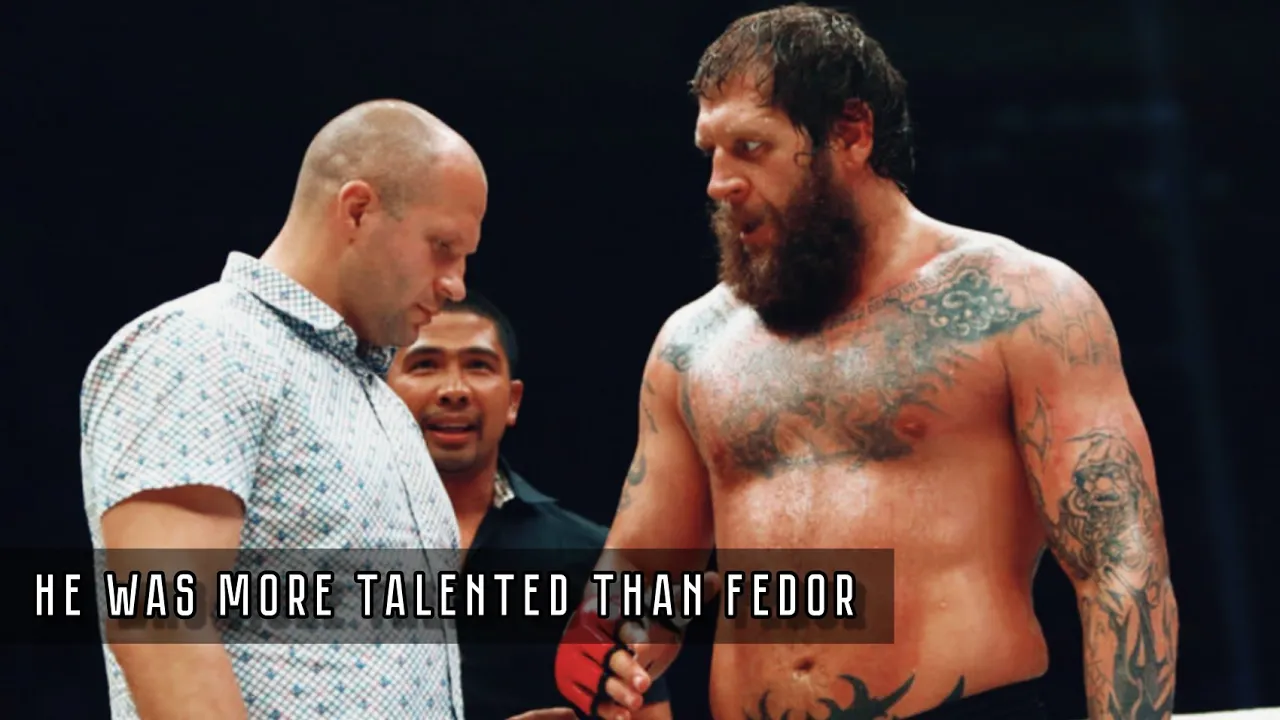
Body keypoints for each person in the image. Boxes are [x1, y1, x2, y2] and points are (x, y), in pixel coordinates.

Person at [554, 5, 1178, 720]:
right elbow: (641, 574)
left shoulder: (1020, 304)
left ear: (851, 132)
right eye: (711, 153)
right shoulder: (692, 344)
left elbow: (1119, 567)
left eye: (750, 147)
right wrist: (606, 650)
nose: (719, 182)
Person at [79, 99, 486, 719]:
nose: (456, 283)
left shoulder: (382, 401)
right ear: (358, 210)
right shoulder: (202, 345)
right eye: (443, 246)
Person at [385, 292, 674, 720]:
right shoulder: (330, 544)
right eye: (425, 364)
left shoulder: (593, 558)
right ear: (381, 393)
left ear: (513, 401)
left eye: (478, 366)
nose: (453, 390)